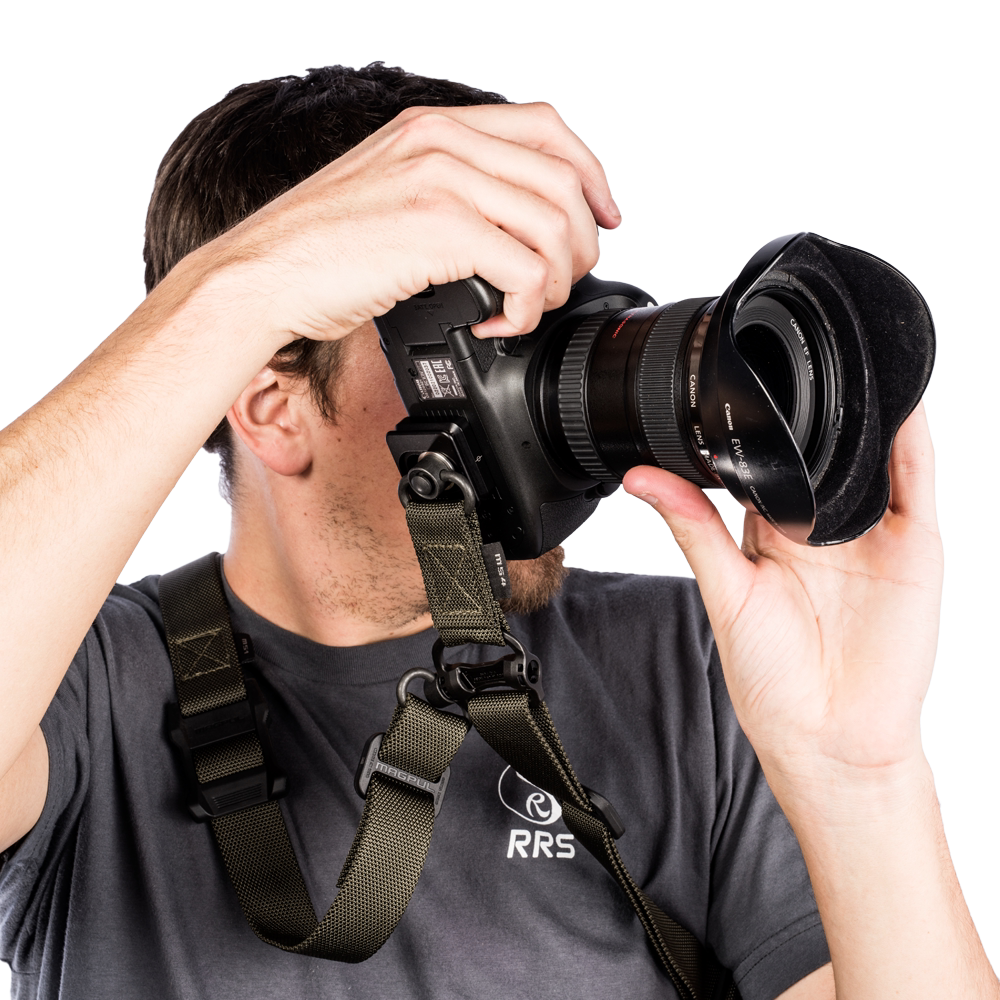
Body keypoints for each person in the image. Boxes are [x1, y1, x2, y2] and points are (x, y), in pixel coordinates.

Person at [0, 64, 994, 1000]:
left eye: (545, 316)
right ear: (271, 407)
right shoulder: (86, 688)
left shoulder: (704, 666)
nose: (536, 368)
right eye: (477, 327)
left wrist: (860, 779)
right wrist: (243, 289)